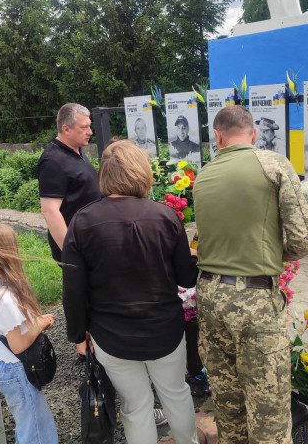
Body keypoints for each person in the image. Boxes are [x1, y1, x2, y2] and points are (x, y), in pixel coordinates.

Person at [192, 105, 308, 443]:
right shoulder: (273, 164)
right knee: (269, 412)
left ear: (217, 136)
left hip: (209, 297)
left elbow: (204, 238)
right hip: (254, 302)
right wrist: (272, 254)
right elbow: (305, 238)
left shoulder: (203, 175)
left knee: (228, 405)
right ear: (254, 134)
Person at [62, 141, 200, 444]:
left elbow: (73, 288)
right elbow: (187, 279)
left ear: (104, 175)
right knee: (176, 393)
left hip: (111, 334)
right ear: (142, 172)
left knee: (135, 406)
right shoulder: (166, 217)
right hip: (164, 329)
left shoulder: (82, 222)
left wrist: (78, 334)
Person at [0, 223, 58, 444]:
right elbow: (18, 345)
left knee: (30, 423)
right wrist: (40, 324)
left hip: (4, 364)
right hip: (17, 369)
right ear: (7, 253)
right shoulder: (4, 299)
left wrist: (34, 322)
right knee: (35, 431)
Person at [37, 103, 103, 263]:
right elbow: (49, 210)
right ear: (66, 129)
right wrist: (71, 252)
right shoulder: (53, 160)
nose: (90, 132)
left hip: (91, 240)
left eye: (89, 126)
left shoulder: (76, 150)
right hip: (77, 246)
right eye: (84, 127)